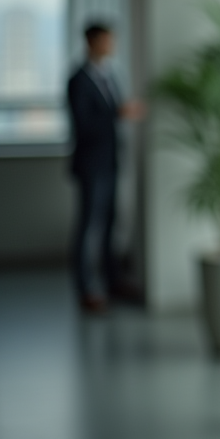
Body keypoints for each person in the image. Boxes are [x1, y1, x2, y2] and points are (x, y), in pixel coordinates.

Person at [66, 21, 144, 313]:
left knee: (111, 223)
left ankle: (113, 281)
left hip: (111, 161)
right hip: (91, 164)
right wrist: (117, 112)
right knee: (89, 226)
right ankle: (85, 287)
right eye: (107, 40)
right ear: (92, 42)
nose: (112, 46)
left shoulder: (110, 75)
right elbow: (83, 124)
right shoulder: (78, 80)